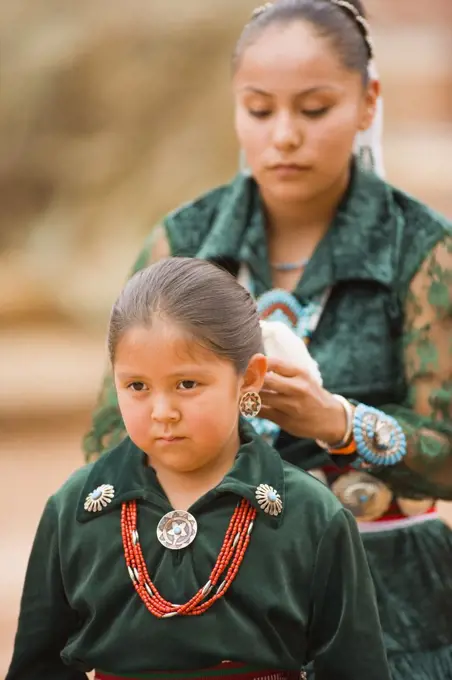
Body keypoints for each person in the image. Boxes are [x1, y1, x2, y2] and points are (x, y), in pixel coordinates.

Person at [83, 1, 452, 677]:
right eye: (259, 110)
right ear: (235, 110)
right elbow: (109, 438)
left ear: (368, 102)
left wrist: (338, 421)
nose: (284, 136)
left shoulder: (423, 254)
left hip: (392, 615)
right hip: (210, 613)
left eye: (314, 110)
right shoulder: (182, 245)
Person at [7, 257, 392, 680]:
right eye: (137, 386)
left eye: (187, 384)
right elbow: (37, 668)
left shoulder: (311, 515)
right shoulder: (75, 509)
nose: (162, 412)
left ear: (249, 379)